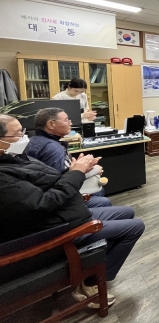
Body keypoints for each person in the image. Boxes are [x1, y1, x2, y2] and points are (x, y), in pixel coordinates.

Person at [0, 114, 145, 308]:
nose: (25, 137)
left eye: (24, 131)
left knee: (127, 212)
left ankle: (93, 264)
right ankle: (93, 280)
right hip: (59, 226)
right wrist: (77, 173)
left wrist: (80, 170)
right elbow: (42, 203)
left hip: (67, 211)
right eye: (18, 133)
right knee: (136, 226)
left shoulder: (14, 157)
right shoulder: (5, 176)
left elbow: (47, 181)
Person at [25, 107, 111, 207]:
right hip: (56, 202)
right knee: (101, 195)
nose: (70, 123)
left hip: (39, 196)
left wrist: (83, 167)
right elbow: (60, 182)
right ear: (51, 124)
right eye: (66, 120)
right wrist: (93, 171)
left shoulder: (34, 140)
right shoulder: (53, 149)